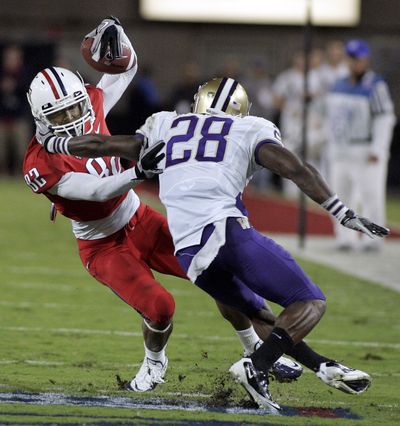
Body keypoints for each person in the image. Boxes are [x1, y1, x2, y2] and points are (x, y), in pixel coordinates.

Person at [44, 78, 387, 410]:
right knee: (310, 303)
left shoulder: (167, 126)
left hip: (188, 252)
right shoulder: (249, 128)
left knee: (255, 312)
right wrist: (342, 212)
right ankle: (257, 365)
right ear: (239, 108)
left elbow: (101, 145)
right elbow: (295, 169)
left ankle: (321, 366)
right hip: (225, 231)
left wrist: (54, 144)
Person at [326, 39, 396, 251]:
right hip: (341, 149)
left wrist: (378, 148)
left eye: (359, 59)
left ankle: (372, 238)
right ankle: (344, 237)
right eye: (352, 58)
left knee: (371, 195)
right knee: (340, 195)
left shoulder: (375, 85)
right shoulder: (338, 83)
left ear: (365, 60)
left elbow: (385, 118)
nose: (355, 63)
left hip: (365, 149)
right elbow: (333, 117)